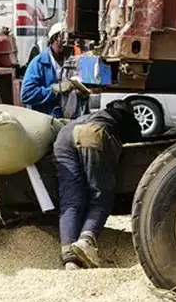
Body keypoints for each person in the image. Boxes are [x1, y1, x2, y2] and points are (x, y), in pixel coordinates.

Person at [54, 98, 142, 270]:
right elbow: (137, 141)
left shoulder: (92, 115)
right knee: (100, 197)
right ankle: (86, 241)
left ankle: (69, 257)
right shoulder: (124, 118)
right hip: (92, 133)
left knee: (71, 199)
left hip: (64, 136)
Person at [20, 22, 85, 117]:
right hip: (48, 120)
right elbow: (26, 95)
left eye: (72, 41)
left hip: (71, 119)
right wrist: (54, 90)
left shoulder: (72, 61)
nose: (70, 45)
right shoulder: (39, 63)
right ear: (54, 38)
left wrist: (81, 94)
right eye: (66, 40)